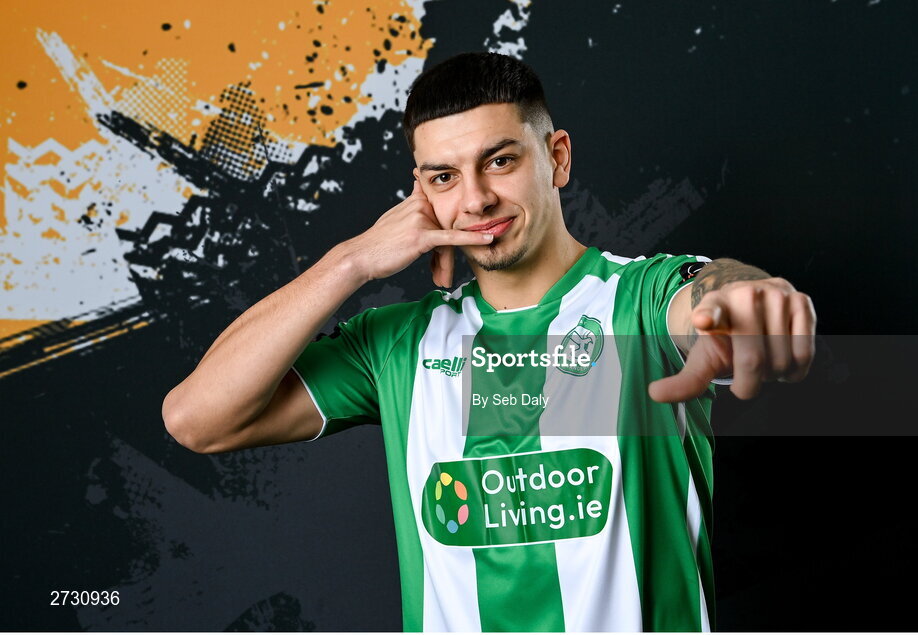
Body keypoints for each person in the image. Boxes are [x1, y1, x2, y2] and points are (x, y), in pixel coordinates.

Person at [163, 52, 816, 632]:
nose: (475, 200)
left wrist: (746, 301)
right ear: (421, 193)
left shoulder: (637, 303)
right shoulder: (398, 344)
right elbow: (197, 418)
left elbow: (711, 300)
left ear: (557, 157)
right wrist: (351, 262)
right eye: (444, 177)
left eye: (500, 161)